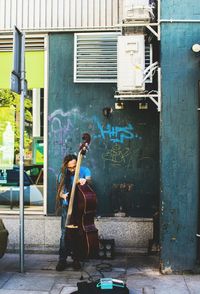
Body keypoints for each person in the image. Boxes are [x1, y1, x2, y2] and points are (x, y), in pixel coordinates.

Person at [55, 154, 91, 271]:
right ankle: (62, 259)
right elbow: (59, 192)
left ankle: (77, 258)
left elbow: (89, 179)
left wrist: (84, 180)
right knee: (64, 233)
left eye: (74, 167)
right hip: (67, 208)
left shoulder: (84, 170)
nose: (72, 170)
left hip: (80, 207)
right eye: (70, 167)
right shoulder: (63, 174)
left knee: (78, 233)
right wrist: (62, 195)